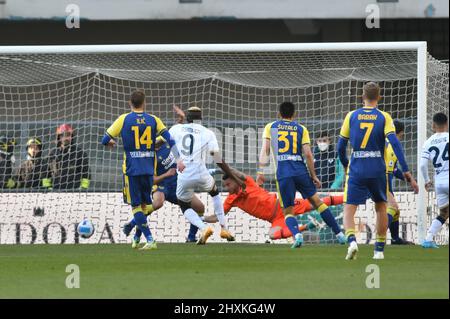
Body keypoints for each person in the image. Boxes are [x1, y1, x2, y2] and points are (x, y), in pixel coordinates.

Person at [337, 82, 418, 260]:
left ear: (362, 96)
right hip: (377, 168)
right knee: (381, 207)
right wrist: (405, 169)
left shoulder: (351, 116)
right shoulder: (384, 117)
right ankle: (379, 250)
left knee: (349, 208)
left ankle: (351, 241)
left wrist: (345, 163)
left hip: (357, 166)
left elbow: (340, 146)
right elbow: (395, 143)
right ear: (379, 97)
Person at [257, 102, 346, 249]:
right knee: (318, 203)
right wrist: (314, 176)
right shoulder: (301, 128)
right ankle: (340, 235)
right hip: (300, 171)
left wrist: (260, 171)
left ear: (278, 114)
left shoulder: (270, 127)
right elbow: (308, 154)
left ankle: (297, 236)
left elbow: (265, 150)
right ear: (294, 115)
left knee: (288, 210)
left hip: (283, 173)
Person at [123, 106, 210, 247]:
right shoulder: (148, 157)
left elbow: (178, 132)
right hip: (161, 185)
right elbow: (151, 180)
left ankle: (191, 237)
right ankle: (133, 225)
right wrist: (166, 174)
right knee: (157, 203)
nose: (154, 143)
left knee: (199, 207)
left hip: (177, 183)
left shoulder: (165, 141)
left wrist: (181, 119)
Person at [102, 90, 176, 250]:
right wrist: (180, 159)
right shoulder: (154, 120)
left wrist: (111, 143)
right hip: (149, 169)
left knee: (136, 206)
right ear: (144, 103)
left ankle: (150, 240)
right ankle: (136, 238)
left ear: (130, 103)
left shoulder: (124, 119)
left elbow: (105, 139)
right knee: (144, 207)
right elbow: (170, 139)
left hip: (131, 170)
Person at [169, 106, 245, 245]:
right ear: (201, 119)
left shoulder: (176, 129)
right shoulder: (208, 133)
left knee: (184, 204)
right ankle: (224, 229)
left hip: (184, 173)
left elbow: (164, 140)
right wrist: (234, 177)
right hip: (201, 172)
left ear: (188, 118)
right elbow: (217, 159)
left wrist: (179, 121)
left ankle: (204, 228)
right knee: (214, 192)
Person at [208, 169, 344, 241]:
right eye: (224, 185)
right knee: (273, 235)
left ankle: (347, 198)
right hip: (275, 219)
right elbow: (218, 216)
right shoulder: (231, 200)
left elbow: (235, 172)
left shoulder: (247, 182)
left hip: (283, 205)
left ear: (235, 181)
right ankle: (306, 227)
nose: (226, 188)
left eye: (228, 184)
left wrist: (220, 169)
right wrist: (201, 218)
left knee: (316, 203)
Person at [420, 112, 449, 248]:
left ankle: (428, 238)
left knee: (445, 212)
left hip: (439, 181)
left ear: (433, 125)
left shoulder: (428, 142)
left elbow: (422, 165)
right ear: (447, 124)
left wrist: (426, 180)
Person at [384, 120, 413, 245]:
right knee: (393, 207)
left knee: (395, 210)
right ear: (400, 133)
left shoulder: (385, 143)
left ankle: (395, 239)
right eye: (401, 135)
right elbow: (388, 170)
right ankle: (380, 235)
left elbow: (394, 169)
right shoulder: (390, 146)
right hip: (381, 180)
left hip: (383, 179)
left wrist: (409, 180)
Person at [48, 124, 90, 190]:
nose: (65, 138)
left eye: (68, 135)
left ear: (72, 137)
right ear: (59, 137)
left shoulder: (80, 153)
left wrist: (82, 190)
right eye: (63, 135)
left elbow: (86, 174)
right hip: (55, 191)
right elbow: (47, 173)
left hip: (74, 192)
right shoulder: (52, 154)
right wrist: (48, 189)